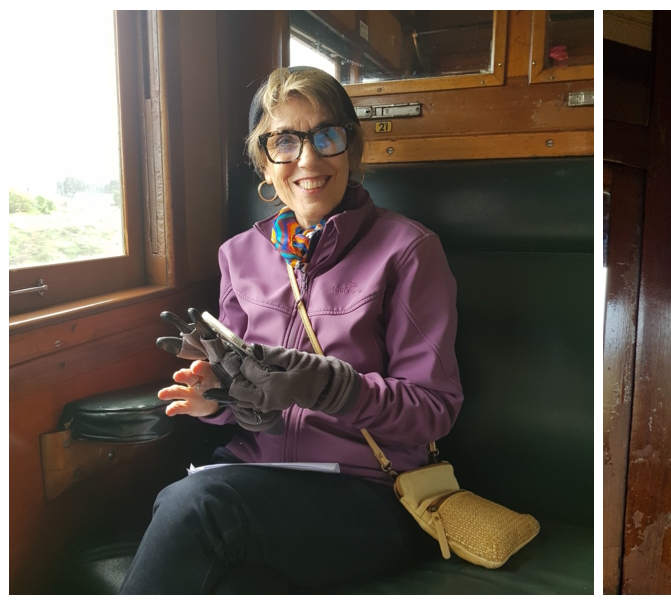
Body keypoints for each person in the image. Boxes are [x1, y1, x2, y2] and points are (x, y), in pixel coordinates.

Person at [119, 66, 463, 594]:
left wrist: (328, 385)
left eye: (326, 135)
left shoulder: (409, 250)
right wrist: (214, 400)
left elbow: (433, 409)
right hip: (254, 477)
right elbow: (246, 395)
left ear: (351, 147)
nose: (308, 159)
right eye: (285, 141)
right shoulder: (239, 255)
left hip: (370, 494)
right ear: (264, 159)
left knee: (196, 508)